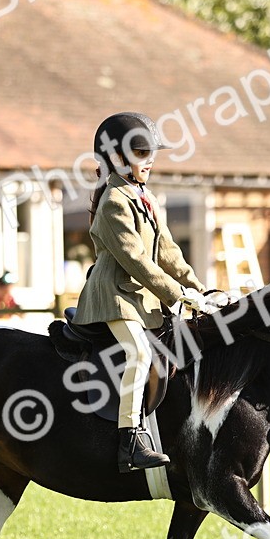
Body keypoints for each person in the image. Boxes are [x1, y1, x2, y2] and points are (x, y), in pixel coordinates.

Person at [72, 112, 218, 472]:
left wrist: (201, 289)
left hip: (141, 299)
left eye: (151, 151)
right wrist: (178, 296)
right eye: (141, 151)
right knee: (138, 353)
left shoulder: (144, 196)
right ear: (116, 158)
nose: (150, 158)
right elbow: (137, 261)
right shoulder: (113, 202)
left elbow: (168, 253)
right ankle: (130, 442)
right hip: (113, 298)